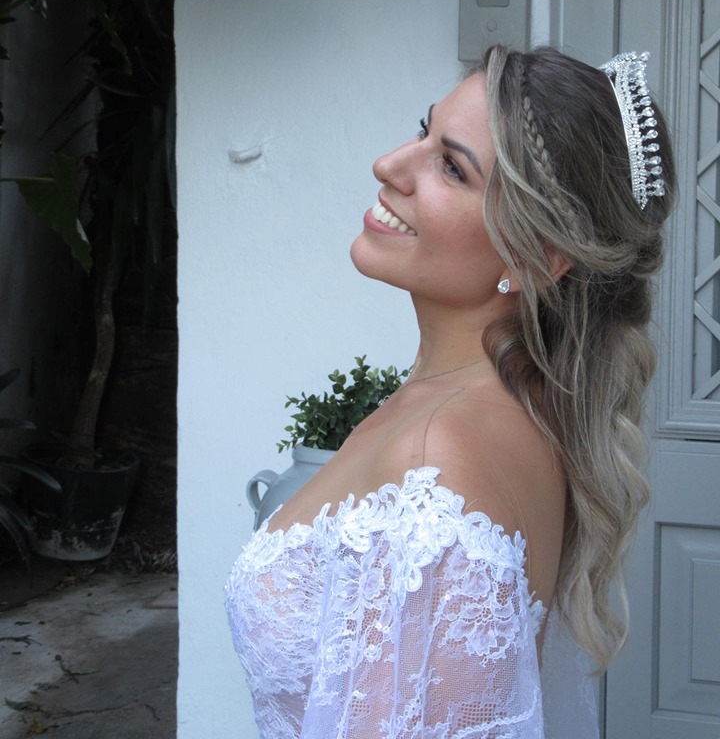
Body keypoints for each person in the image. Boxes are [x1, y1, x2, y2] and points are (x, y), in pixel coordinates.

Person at [225, 46, 675, 738]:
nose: (389, 164)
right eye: (423, 130)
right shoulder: (484, 405)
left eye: (451, 166)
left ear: (538, 256)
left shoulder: (438, 460)